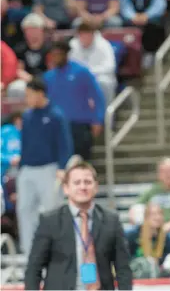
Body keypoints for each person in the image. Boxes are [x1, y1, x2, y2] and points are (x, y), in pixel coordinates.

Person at [24, 162, 133, 290]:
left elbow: (123, 268)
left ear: (96, 187)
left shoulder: (111, 221)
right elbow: (34, 268)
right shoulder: (50, 221)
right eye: (77, 182)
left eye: (87, 182)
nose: (82, 187)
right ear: (66, 188)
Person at [17, 78, 74, 256]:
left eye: (29, 95)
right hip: (27, 169)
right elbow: (25, 143)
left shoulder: (56, 115)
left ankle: (57, 250)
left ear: (40, 93)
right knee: (24, 209)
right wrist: (21, 165)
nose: (27, 99)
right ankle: (30, 251)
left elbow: (65, 143)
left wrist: (62, 166)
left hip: (49, 168)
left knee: (52, 211)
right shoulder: (27, 116)